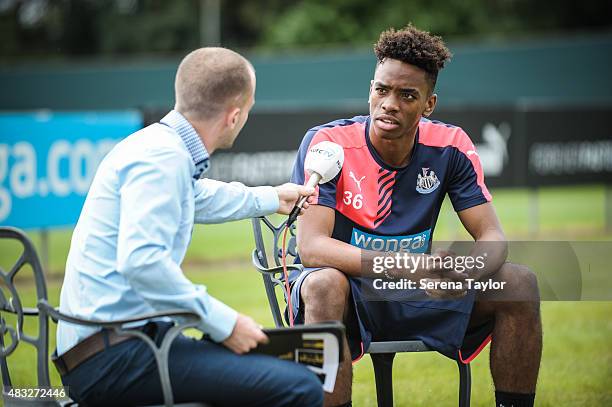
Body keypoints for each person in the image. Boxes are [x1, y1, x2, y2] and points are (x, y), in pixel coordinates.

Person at [55, 47, 323, 407]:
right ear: (234, 116)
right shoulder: (163, 158)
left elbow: (198, 196)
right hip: (114, 360)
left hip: (122, 345)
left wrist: (273, 197)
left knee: (270, 369)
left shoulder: (157, 146)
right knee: (301, 386)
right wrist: (225, 323)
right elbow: (142, 263)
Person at [290, 25, 541, 407]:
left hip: (414, 289)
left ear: (428, 105)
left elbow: (492, 238)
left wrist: (467, 270)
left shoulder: (451, 145)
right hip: (345, 292)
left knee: (520, 283)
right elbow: (311, 249)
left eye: (407, 95)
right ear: (371, 89)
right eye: (381, 90)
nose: (389, 103)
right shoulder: (329, 143)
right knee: (325, 284)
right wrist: (407, 265)